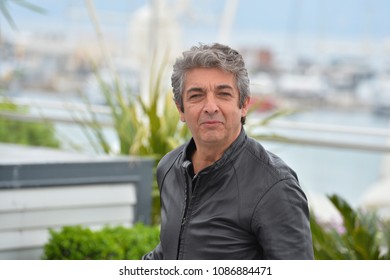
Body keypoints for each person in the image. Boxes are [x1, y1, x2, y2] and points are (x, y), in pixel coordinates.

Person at [143, 43, 314, 260]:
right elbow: (168, 253)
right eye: (196, 95)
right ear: (181, 109)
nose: (211, 107)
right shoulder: (169, 167)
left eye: (223, 94)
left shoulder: (275, 187)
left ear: (243, 105)